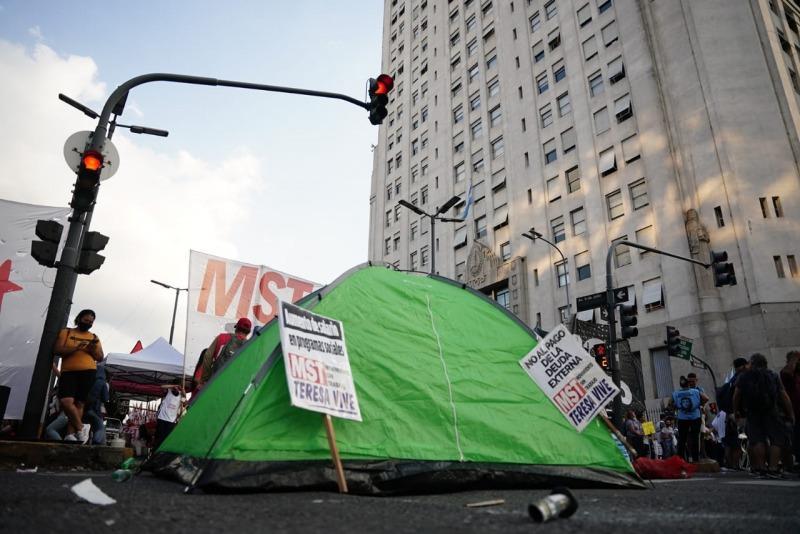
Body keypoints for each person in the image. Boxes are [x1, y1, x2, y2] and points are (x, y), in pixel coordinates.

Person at [733, 353, 795, 477]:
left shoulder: (744, 377)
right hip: (771, 411)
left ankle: (761, 468)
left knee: (757, 440)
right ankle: (773, 468)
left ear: (752, 363)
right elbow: (783, 395)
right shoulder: (772, 375)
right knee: (776, 440)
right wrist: (791, 413)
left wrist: (736, 412)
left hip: (752, 412)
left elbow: (736, 396)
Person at [53, 309, 104, 442]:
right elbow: (57, 350)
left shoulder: (94, 337)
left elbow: (100, 357)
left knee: (79, 403)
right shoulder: (67, 332)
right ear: (79, 318)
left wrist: (92, 349)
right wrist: (76, 348)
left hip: (88, 371)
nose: (88, 323)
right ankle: (81, 427)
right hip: (69, 371)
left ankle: (71, 434)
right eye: (86, 320)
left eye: (91, 322)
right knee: (66, 401)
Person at [197, 317, 252, 388]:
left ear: (236, 328)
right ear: (248, 332)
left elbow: (207, 356)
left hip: (214, 382)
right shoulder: (250, 346)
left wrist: (205, 379)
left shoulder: (222, 337)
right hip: (233, 388)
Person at [669, 375, 708, 462]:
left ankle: (680, 459)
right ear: (688, 384)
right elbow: (706, 398)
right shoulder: (695, 391)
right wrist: (699, 404)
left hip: (682, 418)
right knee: (695, 438)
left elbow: (670, 404)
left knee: (682, 439)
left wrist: (675, 407)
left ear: (680, 385)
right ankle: (695, 459)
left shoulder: (675, 393)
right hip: (695, 417)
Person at [780, 350, 800, 471]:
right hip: (795, 410)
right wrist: (794, 359)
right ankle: (795, 461)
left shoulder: (797, 373)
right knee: (795, 436)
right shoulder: (786, 372)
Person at [153, 381, 185, 450]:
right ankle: (155, 452)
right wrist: (174, 385)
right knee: (159, 438)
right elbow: (162, 386)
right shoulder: (169, 391)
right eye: (175, 387)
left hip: (171, 420)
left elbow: (184, 400)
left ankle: (163, 452)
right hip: (162, 418)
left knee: (167, 439)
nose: (176, 389)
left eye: (177, 387)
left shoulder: (181, 395)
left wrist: (182, 390)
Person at [83, 363, 110, 445]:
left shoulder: (88, 380)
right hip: (96, 409)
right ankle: (96, 443)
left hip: (85, 409)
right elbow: (106, 398)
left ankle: (87, 442)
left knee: (89, 428)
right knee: (100, 428)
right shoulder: (102, 383)